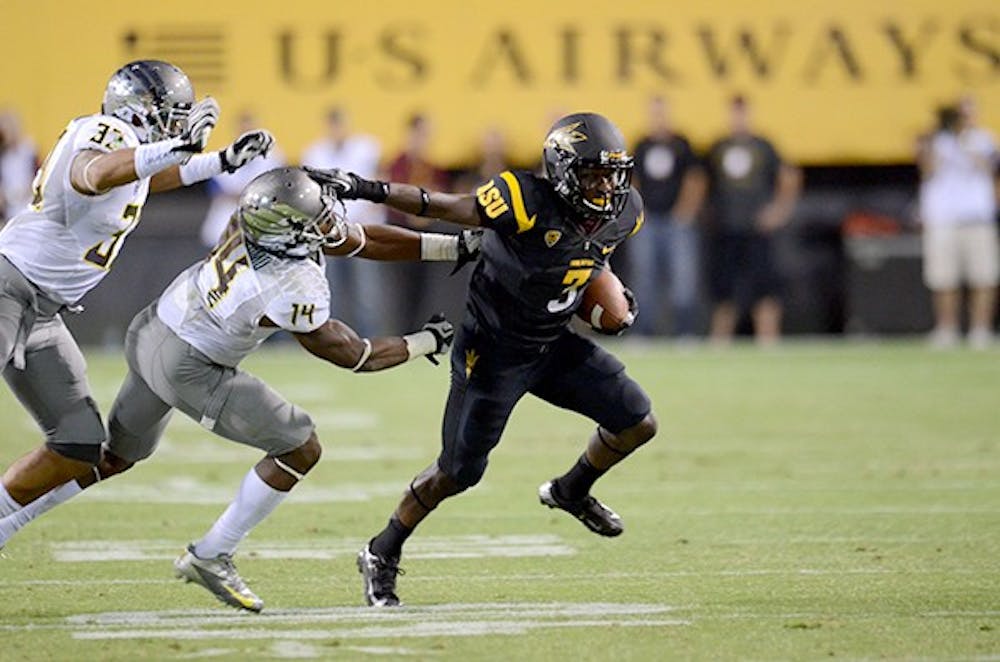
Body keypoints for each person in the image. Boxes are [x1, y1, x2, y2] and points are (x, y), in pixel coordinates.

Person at [0, 166, 481, 612]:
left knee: (110, 457)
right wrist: (426, 341)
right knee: (300, 446)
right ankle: (213, 552)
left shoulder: (252, 221)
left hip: (152, 326)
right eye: (317, 220)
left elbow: (353, 238)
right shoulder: (292, 283)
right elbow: (356, 355)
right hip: (190, 365)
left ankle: (7, 525)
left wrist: (450, 248)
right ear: (291, 234)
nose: (331, 223)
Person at [316, 111, 658, 607]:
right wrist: (369, 189)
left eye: (612, 174)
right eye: (593, 174)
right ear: (563, 171)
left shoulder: (626, 212)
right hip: (492, 352)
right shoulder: (524, 198)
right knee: (458, 472)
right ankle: (381, 550)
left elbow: (590, 254)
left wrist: (607, 298)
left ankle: (570, 490)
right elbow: (447, 205)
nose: (606, 187)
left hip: (551, 344)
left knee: (637, 420)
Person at [0, 59, 273, 527]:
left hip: (44, 311)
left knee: (78, 442)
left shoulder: (135, 154)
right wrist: (176, 147)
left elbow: (144, 178)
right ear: (140, 110)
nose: (178, 124)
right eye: (171, 114)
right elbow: (93, 173)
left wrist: (219, 161)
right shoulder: (106, 131)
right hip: (10, 285)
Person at [703, 94, 801, 345]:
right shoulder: (719, 146)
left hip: (758, 230)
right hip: (727, 229)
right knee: (724, 289)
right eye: (734, 114)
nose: (738, 119)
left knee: (764, 287)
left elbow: (789, 176)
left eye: (742, 113)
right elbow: (702, 181)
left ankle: (768, 339)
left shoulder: (763, 146)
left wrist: (779, 211)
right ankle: (719, 342)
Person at [916, 96, 999, 349]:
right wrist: (935, 138)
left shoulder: (983, 140)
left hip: (976, 217)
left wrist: (965, 142)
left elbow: (991, 170)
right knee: (944, 278)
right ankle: (946, 328)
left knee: (983, 276)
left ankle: (980, 330)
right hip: (944, 218)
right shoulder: (936, 141)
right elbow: (926, 170)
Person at [301, 107, 385, 336]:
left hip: (362, 228)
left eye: (340, 123)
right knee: (328, 288)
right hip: (329, 230)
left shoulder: (367, 148)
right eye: (333, 124)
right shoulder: (315, 153)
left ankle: (371, 337)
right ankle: (332, 339)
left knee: (367, 293)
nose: (337, 129)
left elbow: (379, 182)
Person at [629, 96, 706, 338]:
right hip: (649, 220)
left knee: (683, 279)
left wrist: (685, 211)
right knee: (643, 277)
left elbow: (695, 178)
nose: (658, 119)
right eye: (654, 114)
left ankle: (685, 331)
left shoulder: (681, 144)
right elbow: (632, 180)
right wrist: (639, 211)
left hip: (677, 221)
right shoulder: (641, 145)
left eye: (661, 113)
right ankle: (644, 332)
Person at [382, 113, 452, 332]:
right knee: (401, 288)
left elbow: (442, 196)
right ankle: (400, 331)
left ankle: (417, 331)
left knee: (423, 288)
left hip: (426, 232)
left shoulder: (431, 167)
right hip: (401, 230)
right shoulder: (398, 164)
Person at [198, 110, 287, 248]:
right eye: (244, 131)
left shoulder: (274, 157)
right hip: (226, 221)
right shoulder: (223, 155)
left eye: (250, 131)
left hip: (262, 223)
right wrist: (250, 194)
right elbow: (216, 192)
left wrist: (241, 194)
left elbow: (278, 193)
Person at [0, 109, 39, 220]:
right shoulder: (3, 155)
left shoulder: (31, 152)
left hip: (29, 210)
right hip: (8, 215)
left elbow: (41, 179)